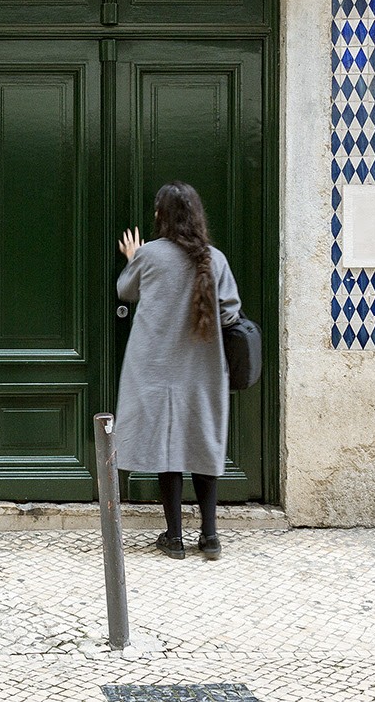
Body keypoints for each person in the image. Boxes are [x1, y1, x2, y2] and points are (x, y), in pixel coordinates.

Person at [114, 181, 241, 561]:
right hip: (203, 369)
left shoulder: (149, 256)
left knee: (166, 447)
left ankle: (173, 537)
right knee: (203, 443)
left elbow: (125, 290)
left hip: (156, 368)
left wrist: (133, 256)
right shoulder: (214, 259)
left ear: (161, 216)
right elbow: (231, 312)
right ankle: (211, 536)